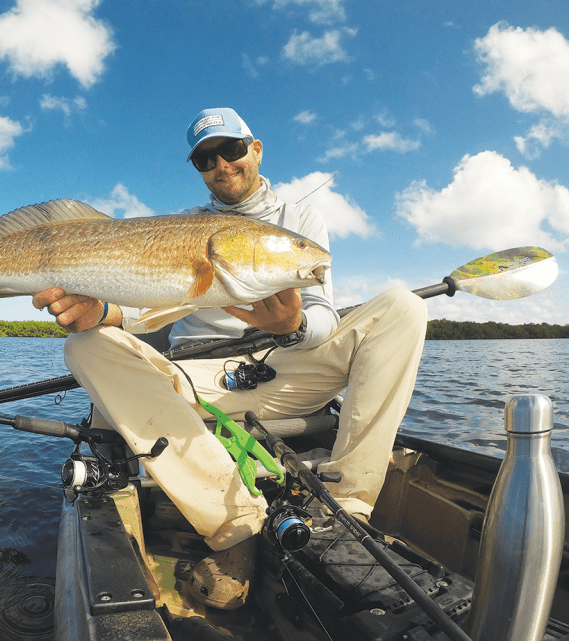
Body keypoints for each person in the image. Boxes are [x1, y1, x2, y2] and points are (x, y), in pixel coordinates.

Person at [33, 108, 428, 610]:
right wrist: (102, 310)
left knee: (403, 306)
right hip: (200, 377)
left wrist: (293, 326)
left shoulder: (297, 222)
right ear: (199, 168)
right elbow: (145, 313)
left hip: (290, 367)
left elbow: (324, 316)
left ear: (255, 149)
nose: (221, 164)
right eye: (205, 158)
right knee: (85, 345)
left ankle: (347, 509)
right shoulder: (183, 228)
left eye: (232, 149)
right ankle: (234, 523)